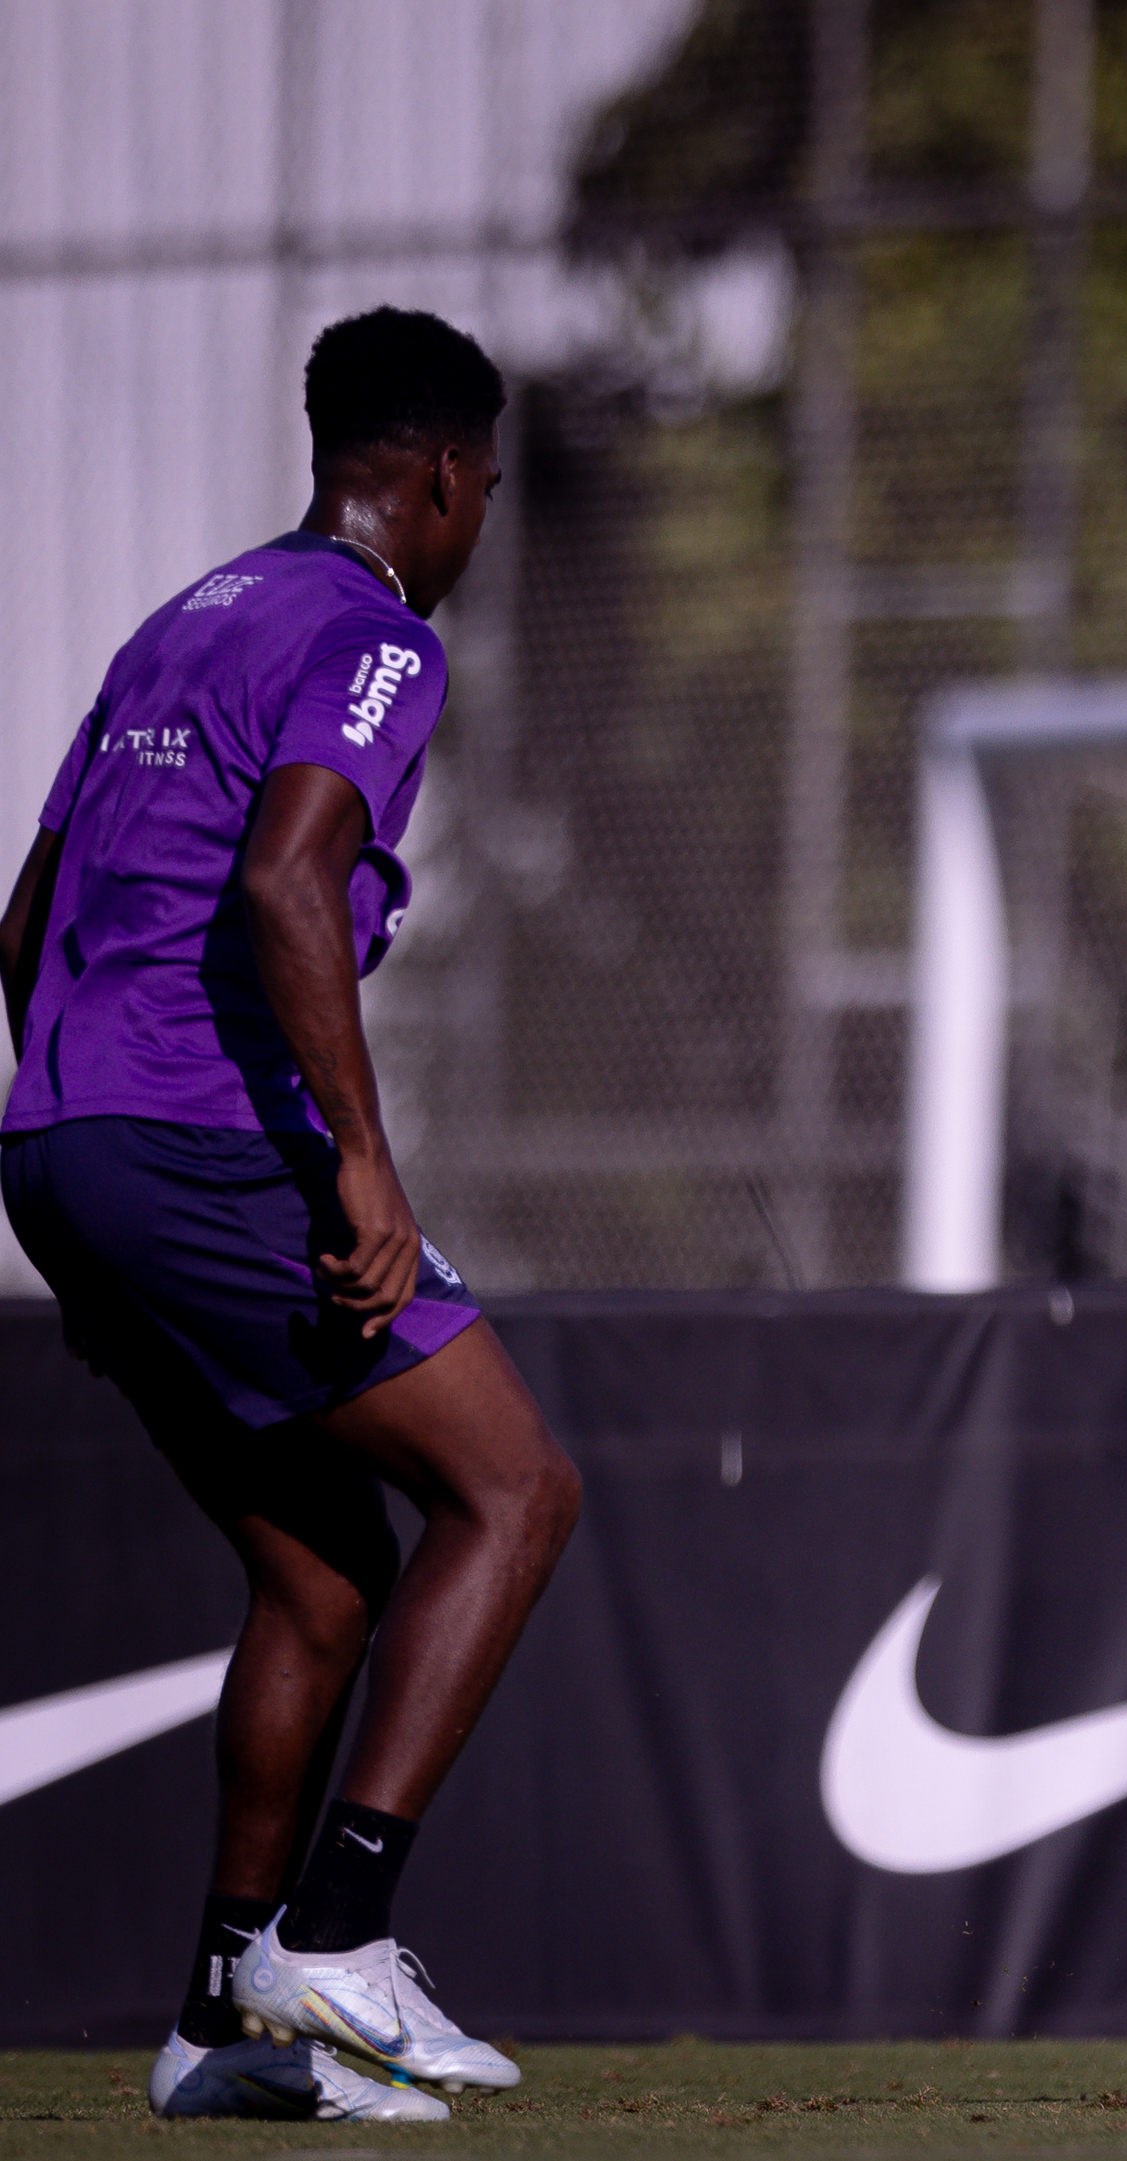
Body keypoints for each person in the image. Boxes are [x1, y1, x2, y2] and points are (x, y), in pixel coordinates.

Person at [0, 309, 580, 2123]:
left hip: (67, 1134)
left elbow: (23, 932)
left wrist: (74, 1187)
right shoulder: (376, 636)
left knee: (323, 1575)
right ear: (432, 477)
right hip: (194, 1137)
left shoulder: (183, 621)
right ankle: (335, 1936)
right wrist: (361, 1159)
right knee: (517, 1488)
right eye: (481, 484)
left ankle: (218, 2024)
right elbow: (286, 874)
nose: (479, 516)